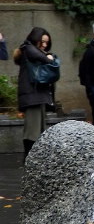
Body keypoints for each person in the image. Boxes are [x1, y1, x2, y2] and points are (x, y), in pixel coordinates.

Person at [14, 27, 57, 156]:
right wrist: (50, 58)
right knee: (32, 131)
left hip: (38, 95)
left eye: (46, 42)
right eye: (42, 41)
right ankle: (28, 157)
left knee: (39, 130)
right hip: (32, 96)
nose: (44, 45)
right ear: (35, 39)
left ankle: (33, 158)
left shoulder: (31, 50)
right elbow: (45, 58)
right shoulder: (28, 48)